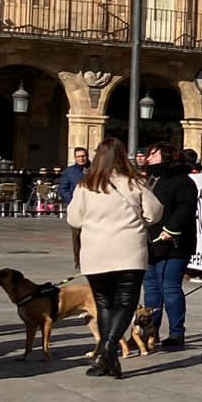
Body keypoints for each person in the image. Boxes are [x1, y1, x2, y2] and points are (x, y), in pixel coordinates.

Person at [64, 138, 163, 379]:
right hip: (129, 252)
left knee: (104, 303)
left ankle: (106, 357)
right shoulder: (134, 182)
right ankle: (108, 350)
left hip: (95, 254)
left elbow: (74, 219)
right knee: (126, 303)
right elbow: (155, 212)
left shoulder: (85, 185)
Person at [142, 144, 197, 348]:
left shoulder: (182, 181)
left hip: (174, 243)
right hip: (149, 241)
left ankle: (176, 332)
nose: (149, 158)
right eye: (149, 154)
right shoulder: (148, 180)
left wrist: (171, 229)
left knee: (170, 287)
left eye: (153, 154)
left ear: (166, 156)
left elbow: (185, 208)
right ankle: (151, 332)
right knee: (151, 287)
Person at [56, 147, 89, 212]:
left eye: (83, 156)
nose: (81, 159)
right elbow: (63, 190)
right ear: (75, 158)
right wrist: (73, 201)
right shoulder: (68, 172)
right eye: (78, 157)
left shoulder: (94, 170)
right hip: (75, 206)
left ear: (87, 156)